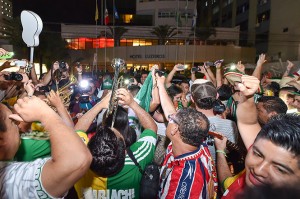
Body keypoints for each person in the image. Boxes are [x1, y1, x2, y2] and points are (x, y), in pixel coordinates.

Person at [215, 75, 300, 199]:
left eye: (279, 169)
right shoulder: (267, 146)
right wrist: (248, 96)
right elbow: (248, 122)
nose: (259, 169)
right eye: (257, 154)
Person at [0, 96, 92, 198]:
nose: (17, 122)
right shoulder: (9, 179)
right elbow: (77, 160)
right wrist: (45, 113)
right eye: (12, 121)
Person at [75, 88, 157, 198]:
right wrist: (132, 103)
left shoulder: (79, 162)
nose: (111, 129)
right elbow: (151, 128)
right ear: (124, 151)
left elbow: (77, 130)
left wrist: (100, 104)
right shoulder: (138, 158)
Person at [156, 74, 217, 199]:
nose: (170, 117)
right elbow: (169, 112)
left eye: (173, 120)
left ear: (174, 130)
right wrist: (160, 85)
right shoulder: (196, 143)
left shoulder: (184, 184)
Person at [190, 79, 238, 163]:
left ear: (192, 99)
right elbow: (231, 152)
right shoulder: (230, 124)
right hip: (220, 170)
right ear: (217, 96)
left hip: (195, 169)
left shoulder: (186, 124)